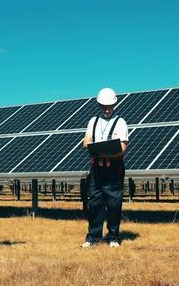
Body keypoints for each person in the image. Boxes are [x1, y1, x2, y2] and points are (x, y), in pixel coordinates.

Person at [81, 87, 129, 248]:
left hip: (114, 168)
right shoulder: (93, 121)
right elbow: (86, 141)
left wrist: (107, 151)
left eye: (109, 107)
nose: (107, 110)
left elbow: (123, 147)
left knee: (114, 203)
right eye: (104, 106)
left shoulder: (120, 122)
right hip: (97, 168)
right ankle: (93, 236)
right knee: (94, 202)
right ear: (100, 105)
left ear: (114, 105)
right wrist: (96, 148)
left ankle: (113, 237)